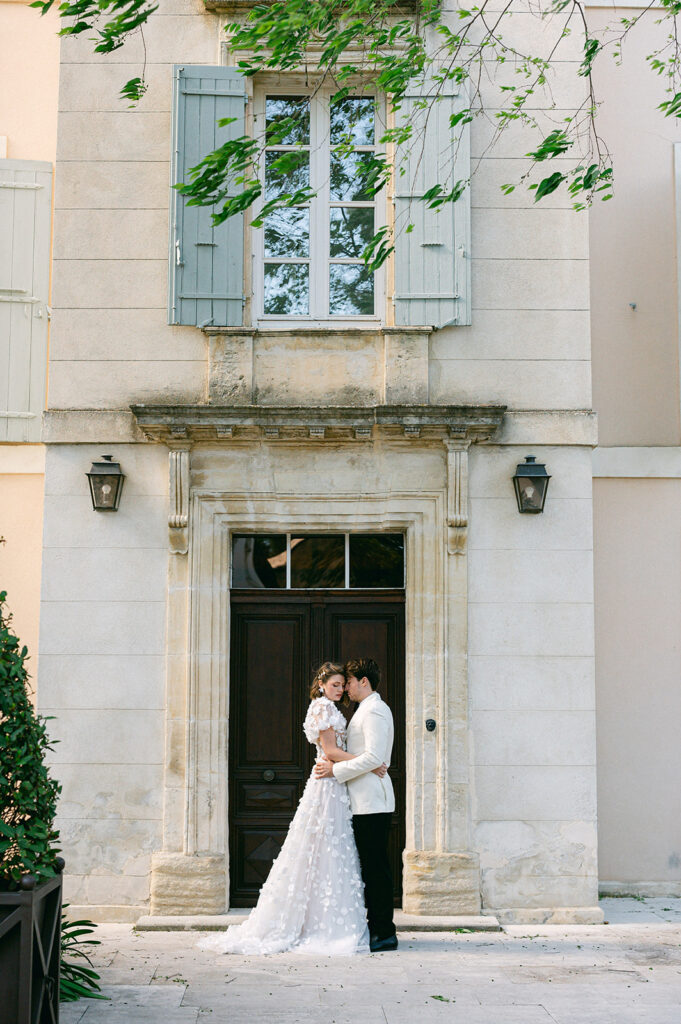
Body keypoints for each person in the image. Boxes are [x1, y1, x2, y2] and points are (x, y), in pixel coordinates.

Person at [198, 662, 387, 956]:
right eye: (335, 684)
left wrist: (354, 763)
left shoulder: (338, 709)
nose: (340, 689)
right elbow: (330, 752)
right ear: (321, 684)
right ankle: (313, 925)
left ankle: (329, 921)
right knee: (320, 846)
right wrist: (369, 762)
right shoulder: (322, 708)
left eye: (342, 684)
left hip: (338, 785)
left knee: (332, 850)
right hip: (327, 785)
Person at [314, 658, 397, 953]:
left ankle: (384, 932)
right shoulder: (365, 709)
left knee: (376, 869)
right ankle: (376, 928)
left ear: (363, 681)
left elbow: (375, 757)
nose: (346, 688)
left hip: (372, 800)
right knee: (370, 867)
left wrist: (334, 771)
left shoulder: (374, 710)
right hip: (361, 799)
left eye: (349, 682)